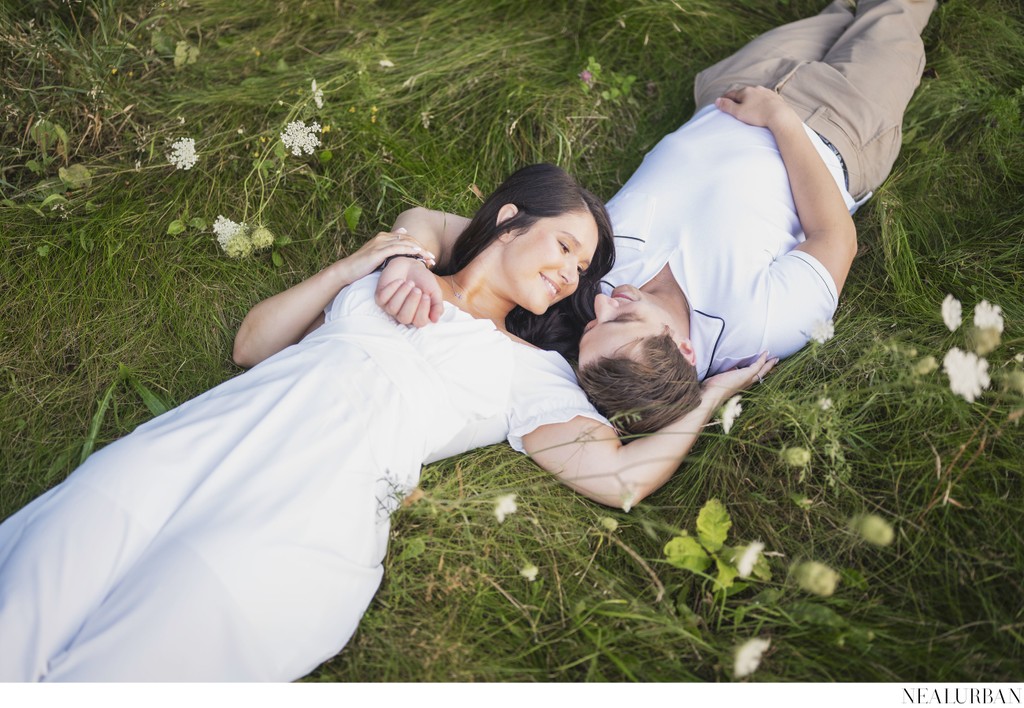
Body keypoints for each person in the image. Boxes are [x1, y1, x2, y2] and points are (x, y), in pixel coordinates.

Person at [0, 163, 756, 682]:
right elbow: (251, 346)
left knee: (145, 648)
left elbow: (620, 479)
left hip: (304, 506)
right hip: (199, 443)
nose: (571, 276)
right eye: (565, 246)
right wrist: (365, 263)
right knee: (40, 583)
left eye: (581, 270)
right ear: (507, 219)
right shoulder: (403, 267)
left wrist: (714, 393)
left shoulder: (535, 376)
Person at [379, 0, 935, 436]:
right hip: (836, 126)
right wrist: (781, 120)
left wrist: (406, 259)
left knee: (842, 12)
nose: (598, 301)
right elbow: (836, 237)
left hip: (729, 92)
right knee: (895, 12)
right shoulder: (760, 322)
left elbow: (436, 224)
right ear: (686, 352)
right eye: (618, 320)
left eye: (594, 327)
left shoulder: (580, 284)